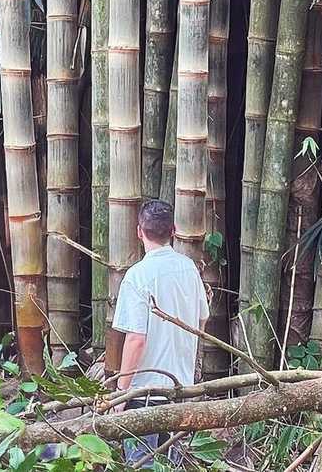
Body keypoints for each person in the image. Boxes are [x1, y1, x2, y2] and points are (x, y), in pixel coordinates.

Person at [111, 199, 210, 468]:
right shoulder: (188, 268)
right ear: (173, 230)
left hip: (144, 393)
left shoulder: (137, 276)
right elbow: (202, 319)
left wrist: (121, 392)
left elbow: (136, 339)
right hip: (181, 387)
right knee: (175, 466)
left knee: (141, 464)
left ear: (139, 231)